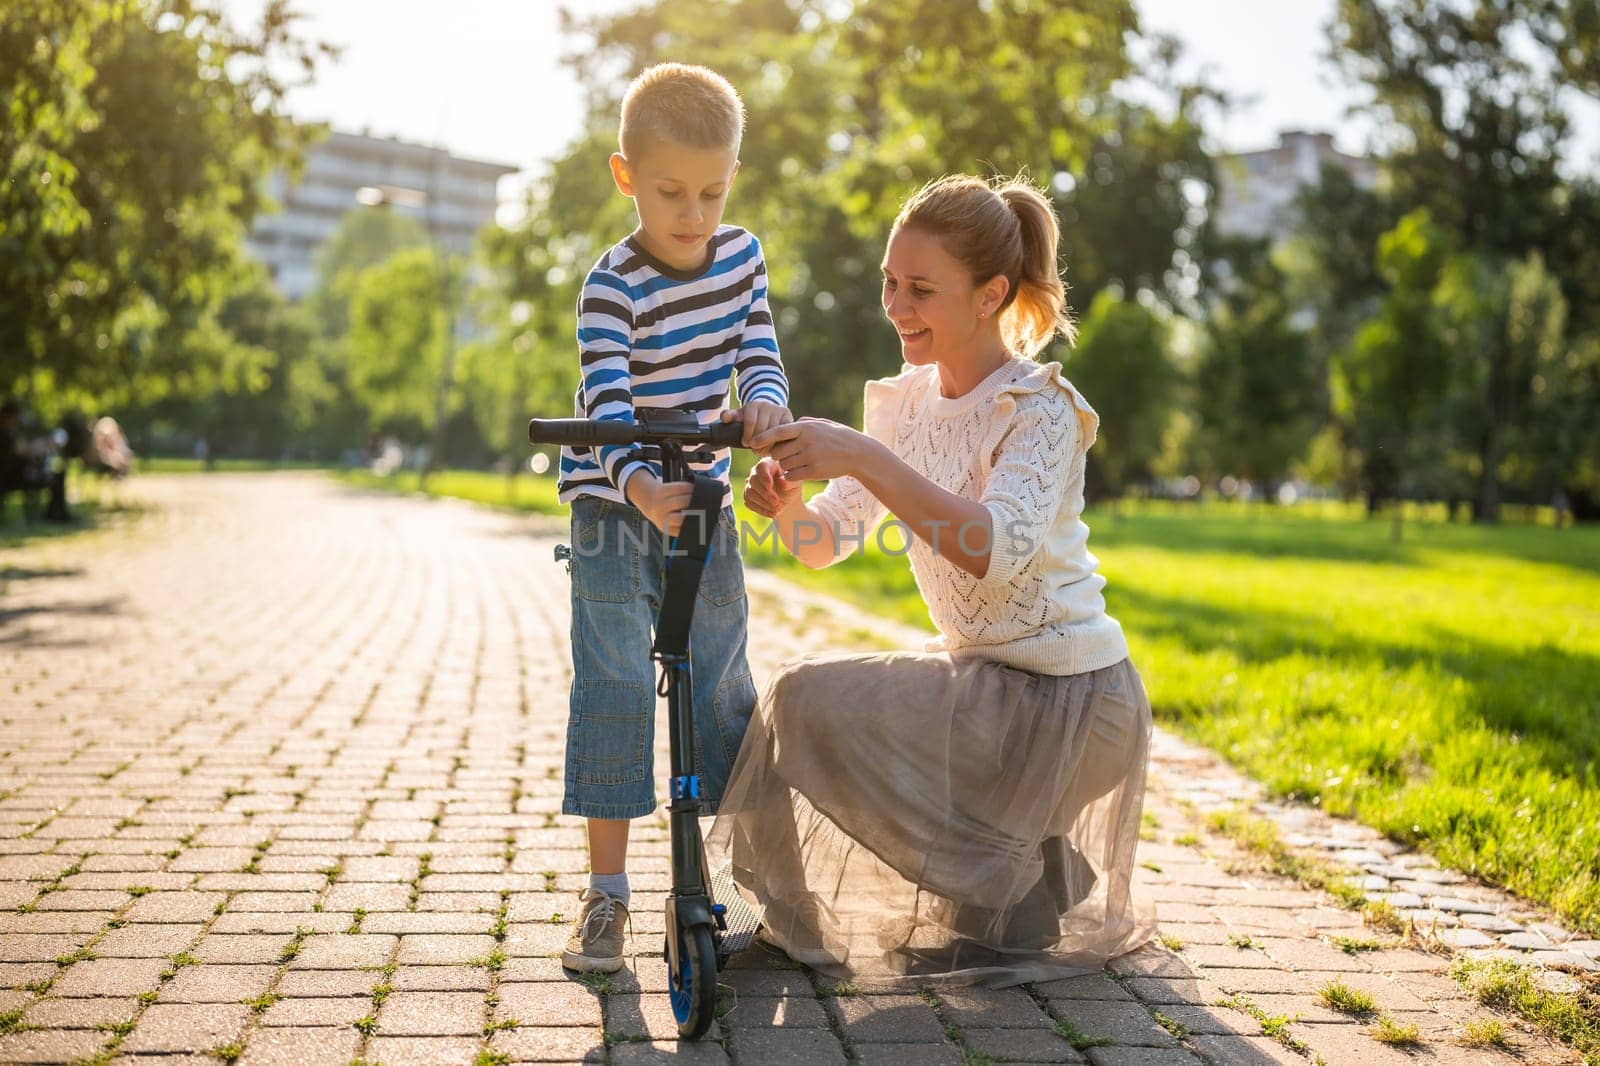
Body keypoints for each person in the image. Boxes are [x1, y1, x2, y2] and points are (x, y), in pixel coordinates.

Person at [710, 174, 1156, 986]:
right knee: (806, 700)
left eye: (920, 289)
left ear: (990, 295)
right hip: (987, 686)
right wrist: (787, 509)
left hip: (1073, 705)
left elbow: (993, 547)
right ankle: (1014, 883)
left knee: (803, 699)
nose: (896, 304)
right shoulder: (906, 404)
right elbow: (823, 544)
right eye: (889, 282)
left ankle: (1021, 868)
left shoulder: (1039, 409)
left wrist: (866, 458)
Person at [555, 62, 793, 974]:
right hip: (614, 501)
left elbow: (757, 350)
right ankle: (606, 898)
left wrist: (765, 410)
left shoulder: (741, 257)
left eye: (711, 191)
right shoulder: (611, 287)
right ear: (627, 178)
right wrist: (639, 486)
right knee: (615, 680)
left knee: (721, 679)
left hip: (698, 495)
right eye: (669, 192)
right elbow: (607, 400)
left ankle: (737, 884)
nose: (692, 213)